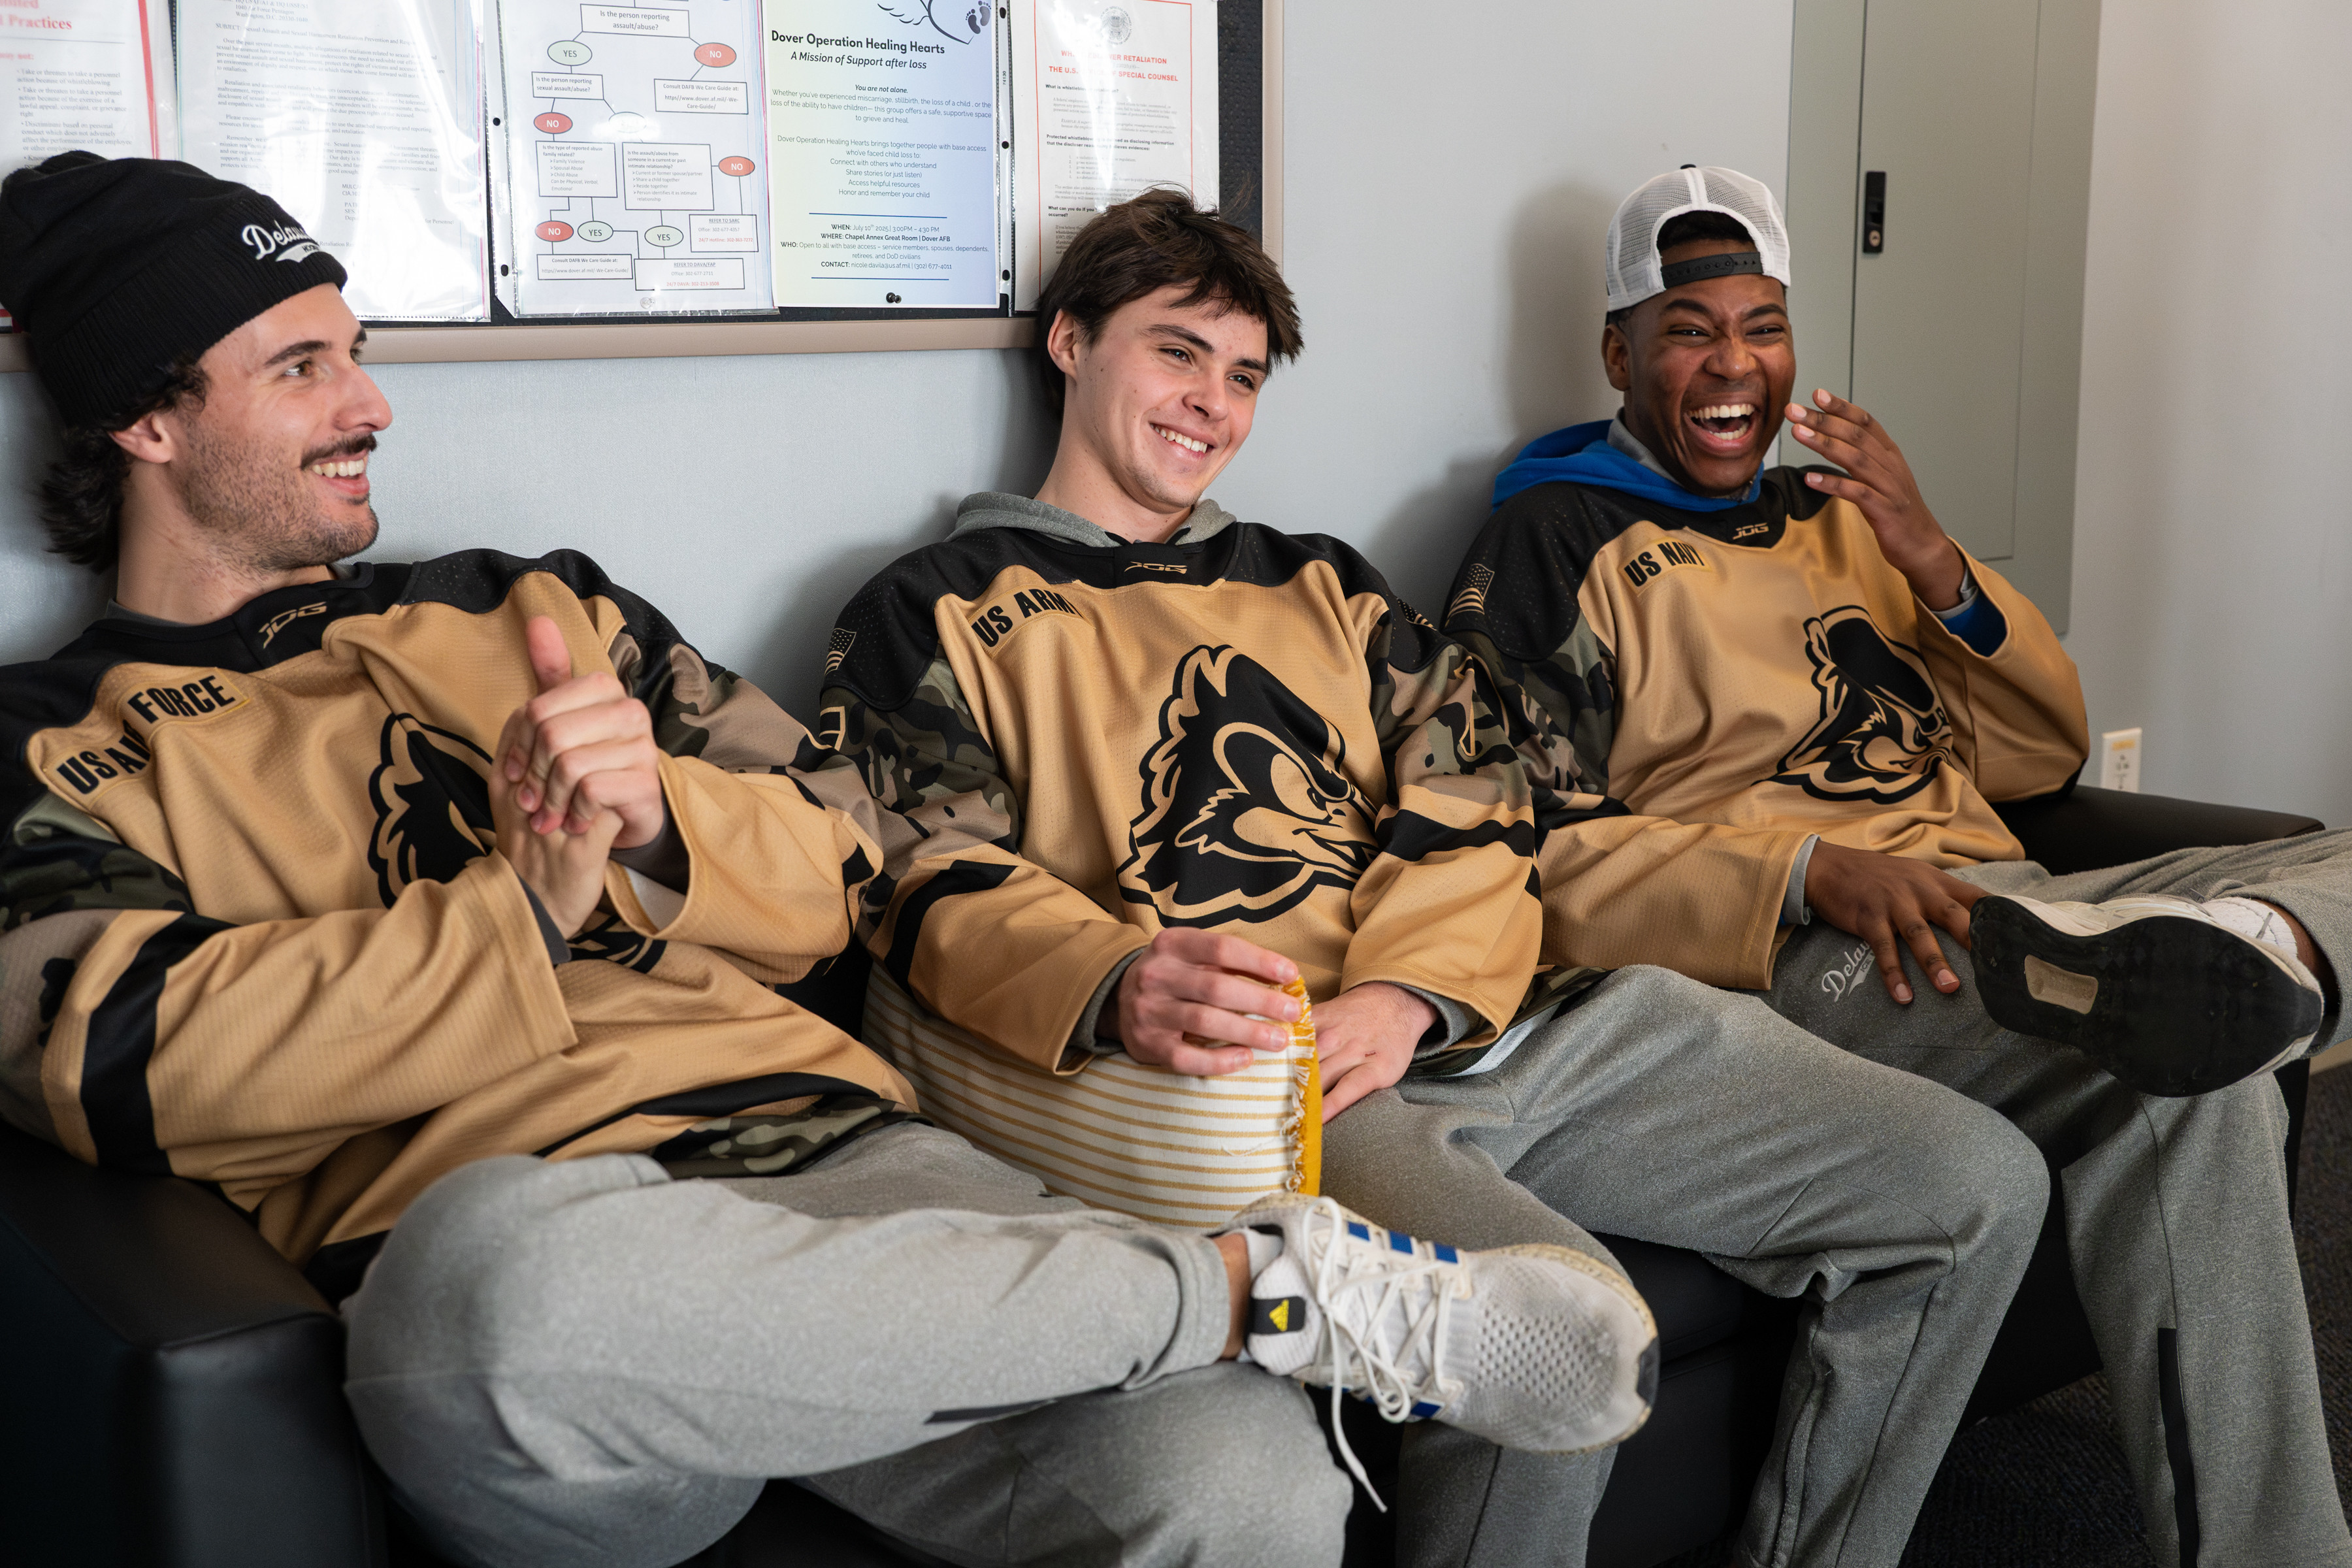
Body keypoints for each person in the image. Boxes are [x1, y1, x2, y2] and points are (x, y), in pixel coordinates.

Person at [0, 152, 1641, 1568]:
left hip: (857, 1170)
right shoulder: (49, 741)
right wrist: (520, 910)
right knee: (498, 1303)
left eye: (356, 356)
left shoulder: (530, 604)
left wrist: (658, 822)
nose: (371, 405)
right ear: (147, 415)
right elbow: (130, 1058)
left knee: (1238, 1475)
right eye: (300, 368)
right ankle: (1264, 1290)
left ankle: (1236, 1306)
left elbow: (849, 854)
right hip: (537, 1246)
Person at [819, 187, 2054, 1568]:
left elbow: (1483, 793)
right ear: (1070, 343)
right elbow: (925, 875)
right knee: (1552, 1327)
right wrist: (1117, 981)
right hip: (1288, 1088)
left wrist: (1412, 990)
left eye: (1244, 376)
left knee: (1974, 1186)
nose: (1212, 404)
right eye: (1178, 353)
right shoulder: (933, 606)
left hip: (1511, 1016)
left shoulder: (1326, 585)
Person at [1445, 163, 2352, 1568]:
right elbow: (1526, 850)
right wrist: (1807, 871)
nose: (1734, 363)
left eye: (1764, 326)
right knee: (2197, 1076)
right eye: (1690, 330)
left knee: (2239, 987)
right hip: (1822, 943)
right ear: (1618, 356)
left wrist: (1934, 558)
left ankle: (2247, 940)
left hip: (2015, 905)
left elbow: (2036, 759)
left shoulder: (1843, 514)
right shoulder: (1551, 538)